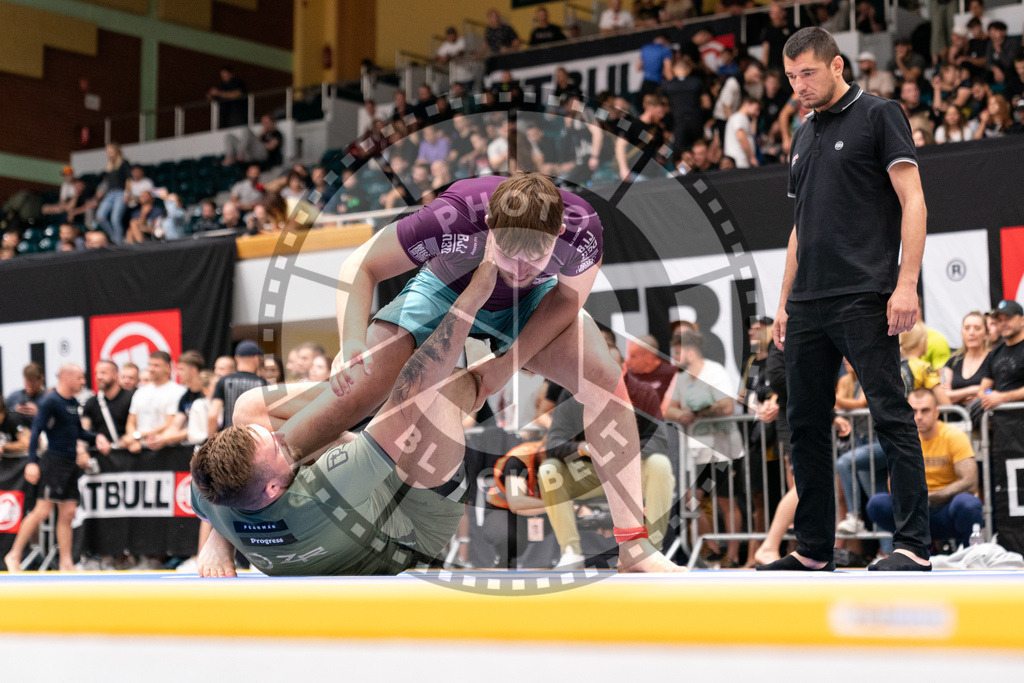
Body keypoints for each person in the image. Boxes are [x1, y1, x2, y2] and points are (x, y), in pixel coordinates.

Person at [329, 172, 680, 572]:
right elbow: (361, 263)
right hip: (448, 288)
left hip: (534, 303)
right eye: (508, 253)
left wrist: (504, 366)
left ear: (558, 232)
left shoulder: (583, 230)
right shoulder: (454, 216)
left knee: (605, 378)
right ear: (491, 226)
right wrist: (350, 341)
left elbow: (565, 300)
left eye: (534, 258)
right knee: (364, 377)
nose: (517, 269)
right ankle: (287, 465)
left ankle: (634, 548)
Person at [191, 263, 514, 576]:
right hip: (415, 519)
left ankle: (363, 399)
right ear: (274, 487)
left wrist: (221, 540)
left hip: (340, 503)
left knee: (249, 409)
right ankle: (533, 340)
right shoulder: (326, 490)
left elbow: (218, 497)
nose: (282, 435)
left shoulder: (211, 493)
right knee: (442, 390)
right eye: (276, 448)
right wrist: (474, 295)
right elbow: (414, 392)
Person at [766, 27, 932, 572]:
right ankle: (814, 550)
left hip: (864, 291)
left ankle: (912, 546)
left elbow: (913, 199)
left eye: (807, 74)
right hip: (808, 300)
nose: (799, 87)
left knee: (890, 414)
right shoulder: (802, 132)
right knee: (806, 424)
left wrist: (906, 283)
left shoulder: (879, 114)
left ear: (837, 66)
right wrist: (784, 301)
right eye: (791, 78)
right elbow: (798, 229)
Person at [4, 364, 111, 572]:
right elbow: (36, 432)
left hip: (70, 464)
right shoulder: (50, 401)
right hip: (53, 462)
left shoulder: (71, 403)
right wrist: (32, 462)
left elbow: (78, 432)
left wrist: (97, 437)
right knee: (42, 510)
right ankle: (13, 554)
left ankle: (66, 562)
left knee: (69, 512)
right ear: (67, 377)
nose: (83, 382)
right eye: (79, 378)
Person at [867, 388, 983, 551]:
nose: (919, 416)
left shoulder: (953, 436)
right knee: (877, 504)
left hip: (946, 508)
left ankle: (969, 551)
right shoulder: (903, 440)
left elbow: (970, 482)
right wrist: (919, 499)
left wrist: (931, 497)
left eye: (925, 410)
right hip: (915, 511)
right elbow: (892, 485)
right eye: (913, 411)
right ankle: (914, 548)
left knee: (968, 504)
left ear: (937, 412)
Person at [666, 329, 744, 567]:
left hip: (723, 449)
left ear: (690, 351)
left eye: (677, 352)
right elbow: (668, 409)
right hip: (697, 452)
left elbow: (726, 406)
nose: (674, 357)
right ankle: (711, 547)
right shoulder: (681, 378)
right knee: (691, 500)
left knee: (726, 501)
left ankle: (733, 554)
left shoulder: (714, 371)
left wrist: (696, 414)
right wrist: (683, 414)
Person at [123, 351, 186, 453]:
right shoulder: (140, 392)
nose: (151, 369)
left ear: (167, 367)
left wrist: (138, 436)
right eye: (150, 365)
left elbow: (171, 423)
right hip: (139, 450)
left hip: (165, 450)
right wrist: (133, 439)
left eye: (156, 365)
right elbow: (131, 421)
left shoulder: (178, 391)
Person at [208, 341, 268, 435]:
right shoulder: (263, 384)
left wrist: (211, 442)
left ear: (236, 358)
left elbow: (212, 416)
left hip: (228, 438)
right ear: (256, 358)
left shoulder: (223, 381)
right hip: (253, 438)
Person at [942, 311, 991, 408]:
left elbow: (994, 392)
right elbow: (943, 396)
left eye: (977, 328)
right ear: (962, 333)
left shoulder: (993, 358)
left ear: (986, 334)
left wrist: (956, 396)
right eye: (967, 328)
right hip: (956, 420)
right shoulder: (953, 361)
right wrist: (974, 390)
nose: (971, 333)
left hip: (984, 418)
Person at [81, 359, 134, 445]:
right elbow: (84, 431)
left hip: (127, 454)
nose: (98, 377)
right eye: (96, 373)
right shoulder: (91, 403)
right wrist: (82, 451)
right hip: (100, 455)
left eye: (103, 373)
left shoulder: (132, 398)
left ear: (116, 375)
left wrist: (130, 438)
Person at [5, 363, 46, 429]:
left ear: (41, 379)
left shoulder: (49, 398)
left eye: (33, 383)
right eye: (27, 382)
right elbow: (3, 417)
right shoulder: (14, 397)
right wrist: (14, 411)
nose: (30, 386)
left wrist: (39, 413)